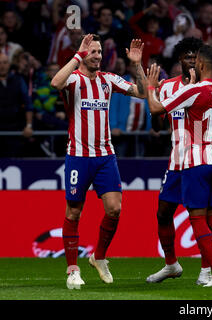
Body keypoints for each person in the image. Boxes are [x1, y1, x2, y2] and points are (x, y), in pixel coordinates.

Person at [146, 44, 212, 287]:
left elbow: (155, 109)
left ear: (202, 64)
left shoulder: (194, 90)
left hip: (196, 160)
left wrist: (151, 86)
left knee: (197, 219)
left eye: (197, 60)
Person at [50, 34, 148, 289]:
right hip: (78, 157)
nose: (97, 56)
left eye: (99, 52)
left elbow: (143, 93)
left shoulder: (108, 79)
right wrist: (77, 55)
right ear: (83, 54)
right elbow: (54, 82)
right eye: (92, 51)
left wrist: (137, 65)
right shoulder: (73, 79)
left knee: (114, 209)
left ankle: (99, 257)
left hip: (105, 156)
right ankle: (73, 269)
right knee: (73, 212)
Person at [144, 37, 212, 285]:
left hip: (201, 159)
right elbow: (156, 127)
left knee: (201, 217)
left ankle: (207, 269)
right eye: (187, 57)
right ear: (180, 61)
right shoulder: (167, 87)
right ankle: (172, 264)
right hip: (176, 160)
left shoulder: (211, 88)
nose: (192, 61)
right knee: (163, 214)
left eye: (196, 57)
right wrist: (153, 106)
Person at [0, 52, 33, 157]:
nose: (2, 66)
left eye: (5, 63)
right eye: (0, 63)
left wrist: (28, 126)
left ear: (9, 64)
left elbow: (28, 104)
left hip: (15, 128)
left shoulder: (18, 80)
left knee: (14, 157)